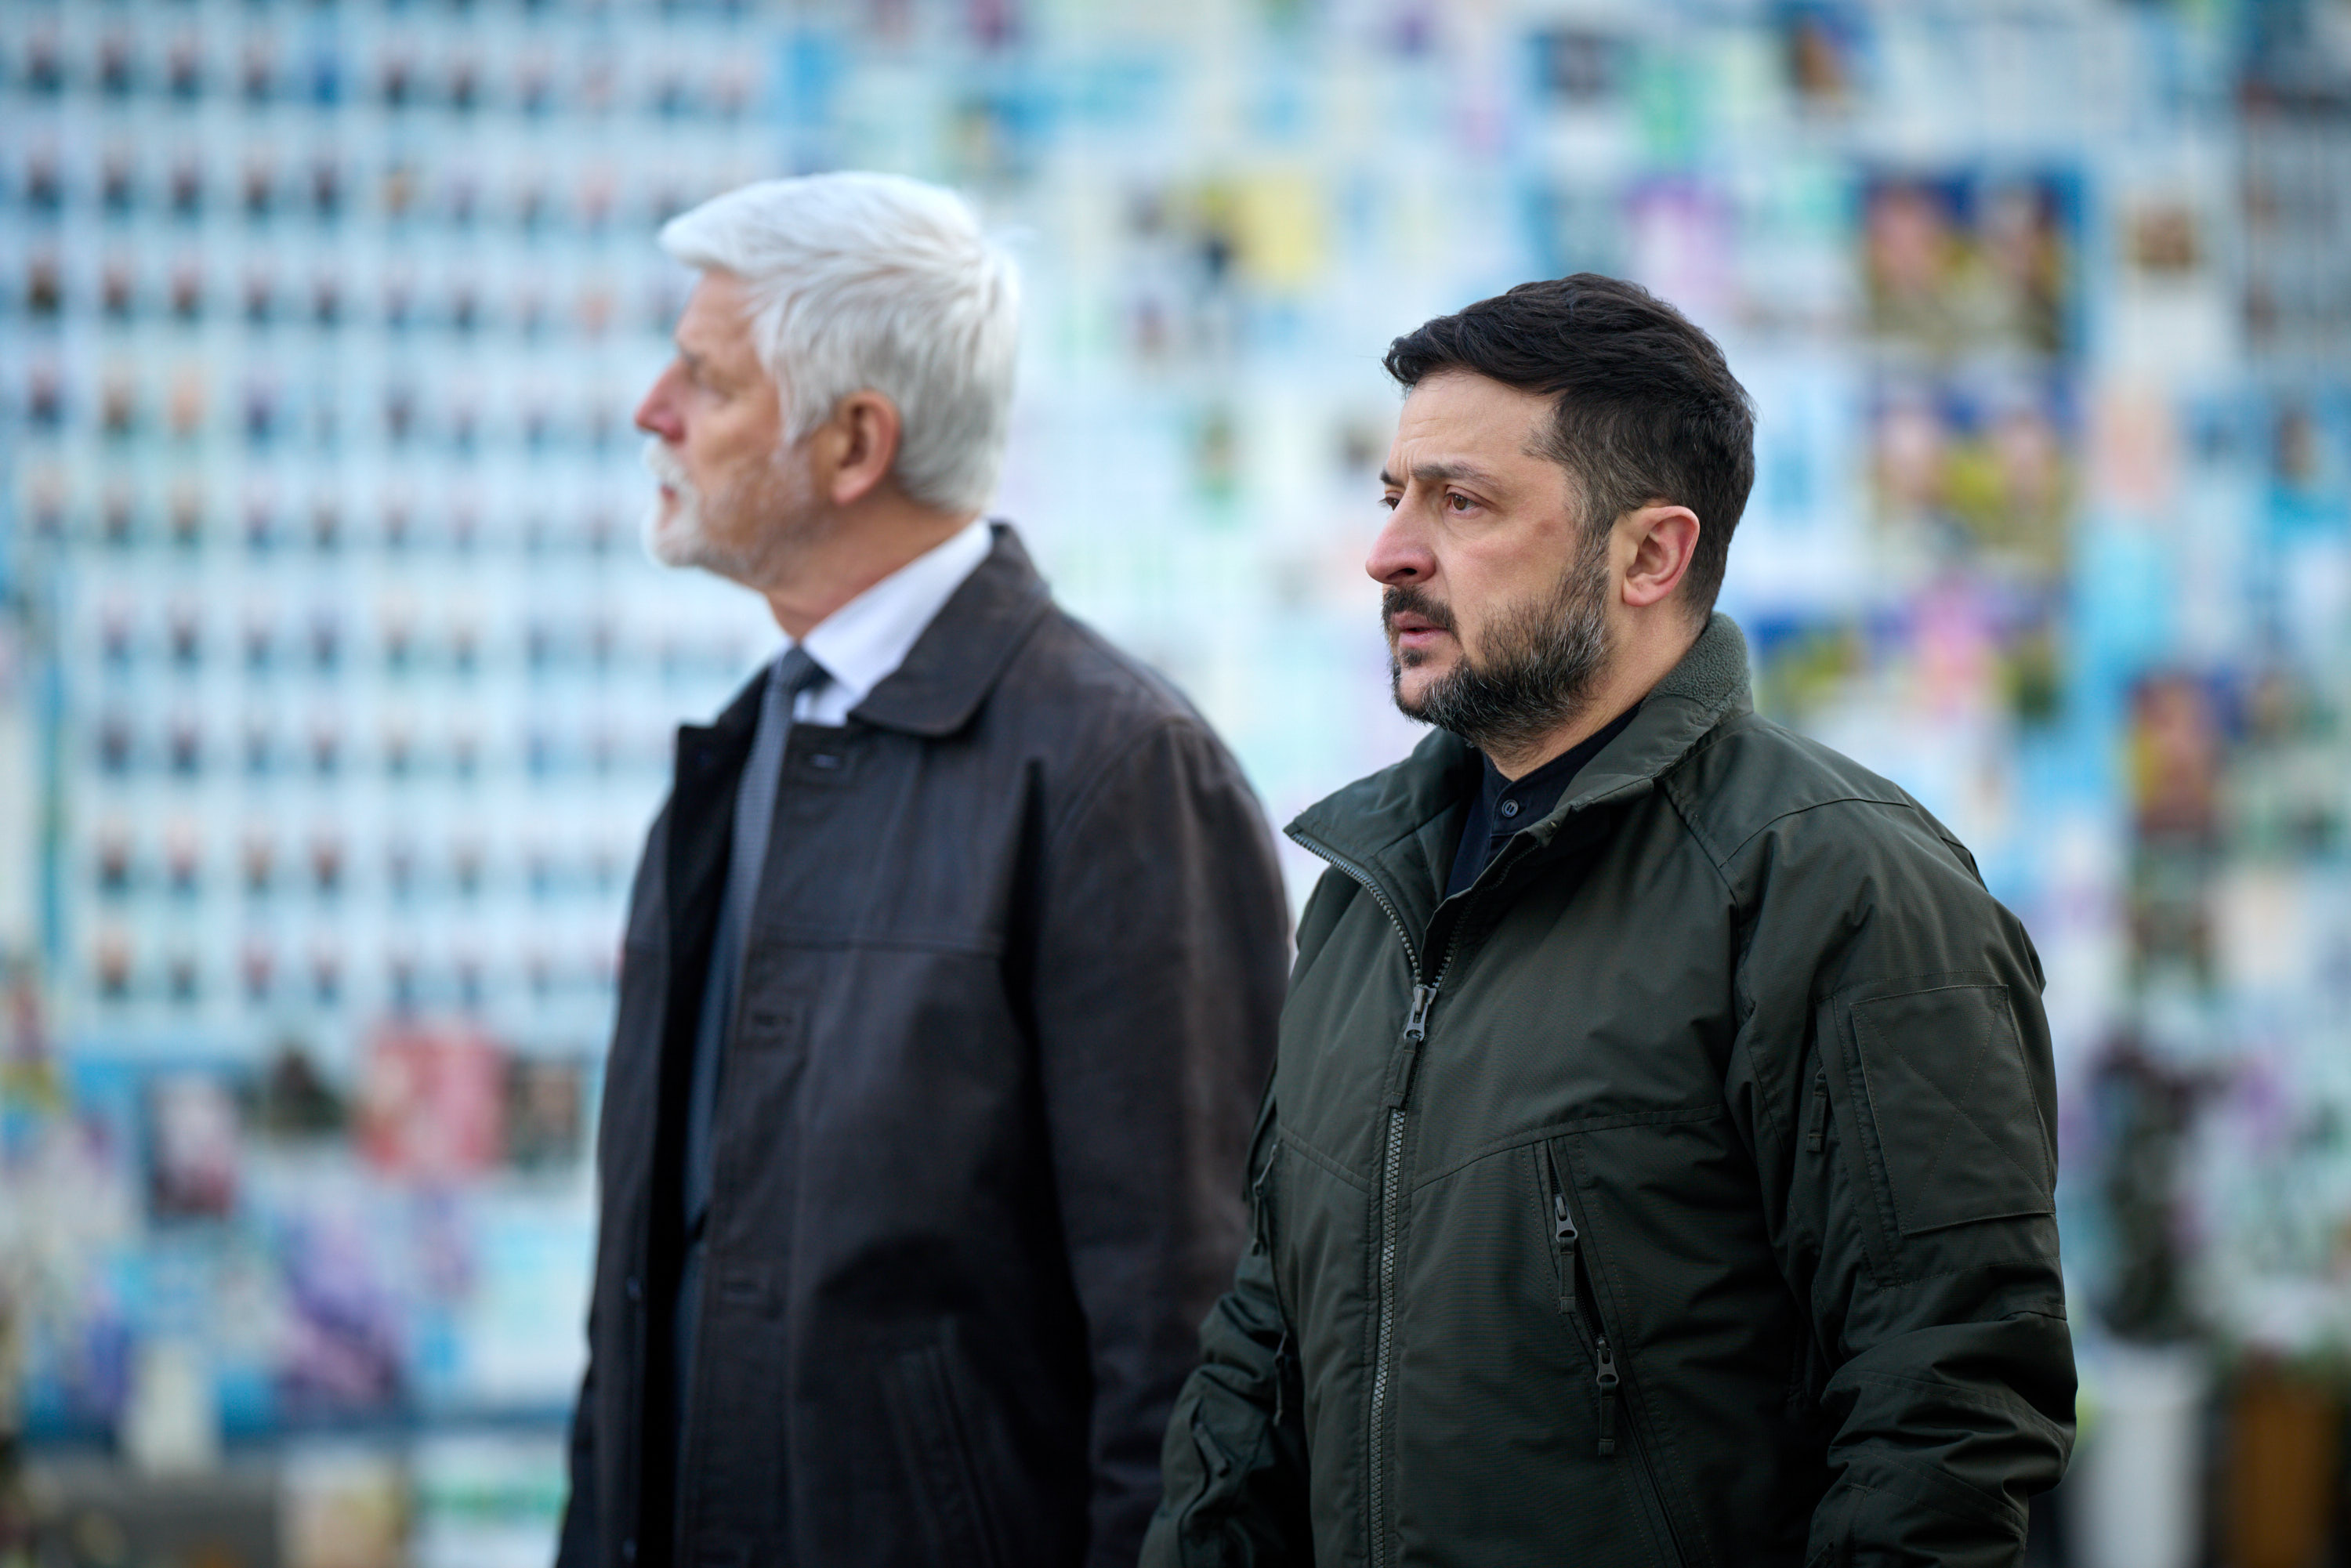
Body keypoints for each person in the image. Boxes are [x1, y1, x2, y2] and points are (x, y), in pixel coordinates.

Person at [1144, 274, 2074, 1566]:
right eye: (1394, 494)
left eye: (1461, 502)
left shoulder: (1836, 885)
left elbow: (1947, 1403)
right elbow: (1264, 1352)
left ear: (1650, 555)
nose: (1389, 552)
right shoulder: (1368, 891)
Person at [557, 172, 1290, 1568]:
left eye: (706, 379)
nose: (653, 410)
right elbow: (642, 1303)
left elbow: (1197, 1346)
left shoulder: (1119, 771)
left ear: (854, 443)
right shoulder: (741, 753)